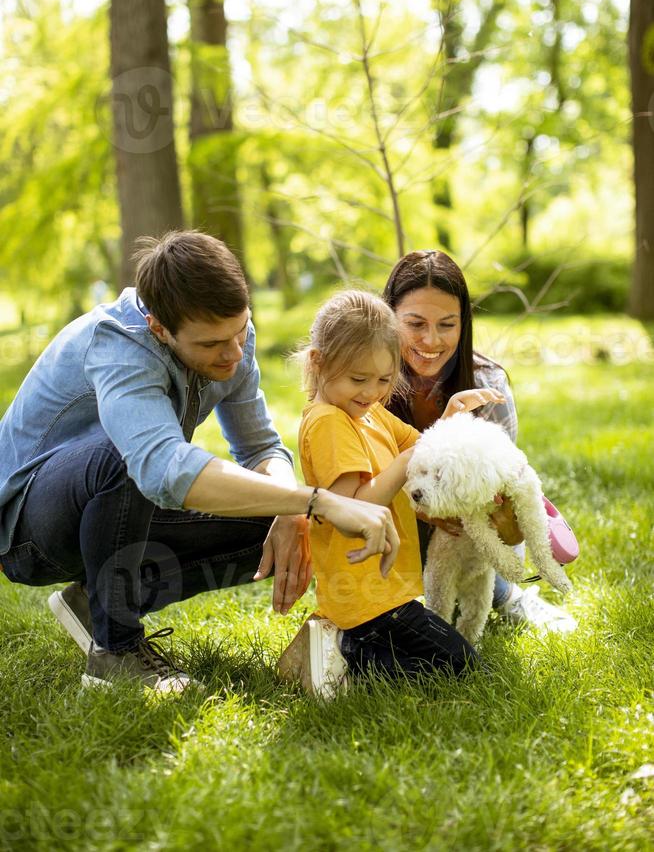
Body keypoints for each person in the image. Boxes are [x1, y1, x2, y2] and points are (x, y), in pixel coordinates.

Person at [0, 231, 398, 693]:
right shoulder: (117, 345)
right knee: (123, 455)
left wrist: (292, 511)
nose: (233, 353)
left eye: (240, 331)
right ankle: (116, 652)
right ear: (160, 330)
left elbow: (260, 448)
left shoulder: (233, 338)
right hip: (29, 530)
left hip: (118, 503)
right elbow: (161, 465)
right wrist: (317, 500)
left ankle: (99, 604)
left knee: (272, 522)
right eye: (211, 344)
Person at [281, 289, 507, 696]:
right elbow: (353, 510)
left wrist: (451, 416)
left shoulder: (368, 415)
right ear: (318, 363)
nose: (371, 391)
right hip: (366, 602)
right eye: (358, 379)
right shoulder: (330, 422)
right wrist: (407, 461)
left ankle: (342, 649)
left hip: (383, 596)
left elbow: (422, 443)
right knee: (460, 666)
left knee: (456, 662)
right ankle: (345, 656)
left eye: (384, 380)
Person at [382, 249, 577, 633]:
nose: (430, 340)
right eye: (415, 323)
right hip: (389, 523)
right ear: (388, 320)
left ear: (464, 323)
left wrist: (497, 519)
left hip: (469, 530)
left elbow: (505, 504)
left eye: (447, 324)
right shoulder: (366, 381)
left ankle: (505, 596)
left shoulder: (487, 385)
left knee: (474, 541)